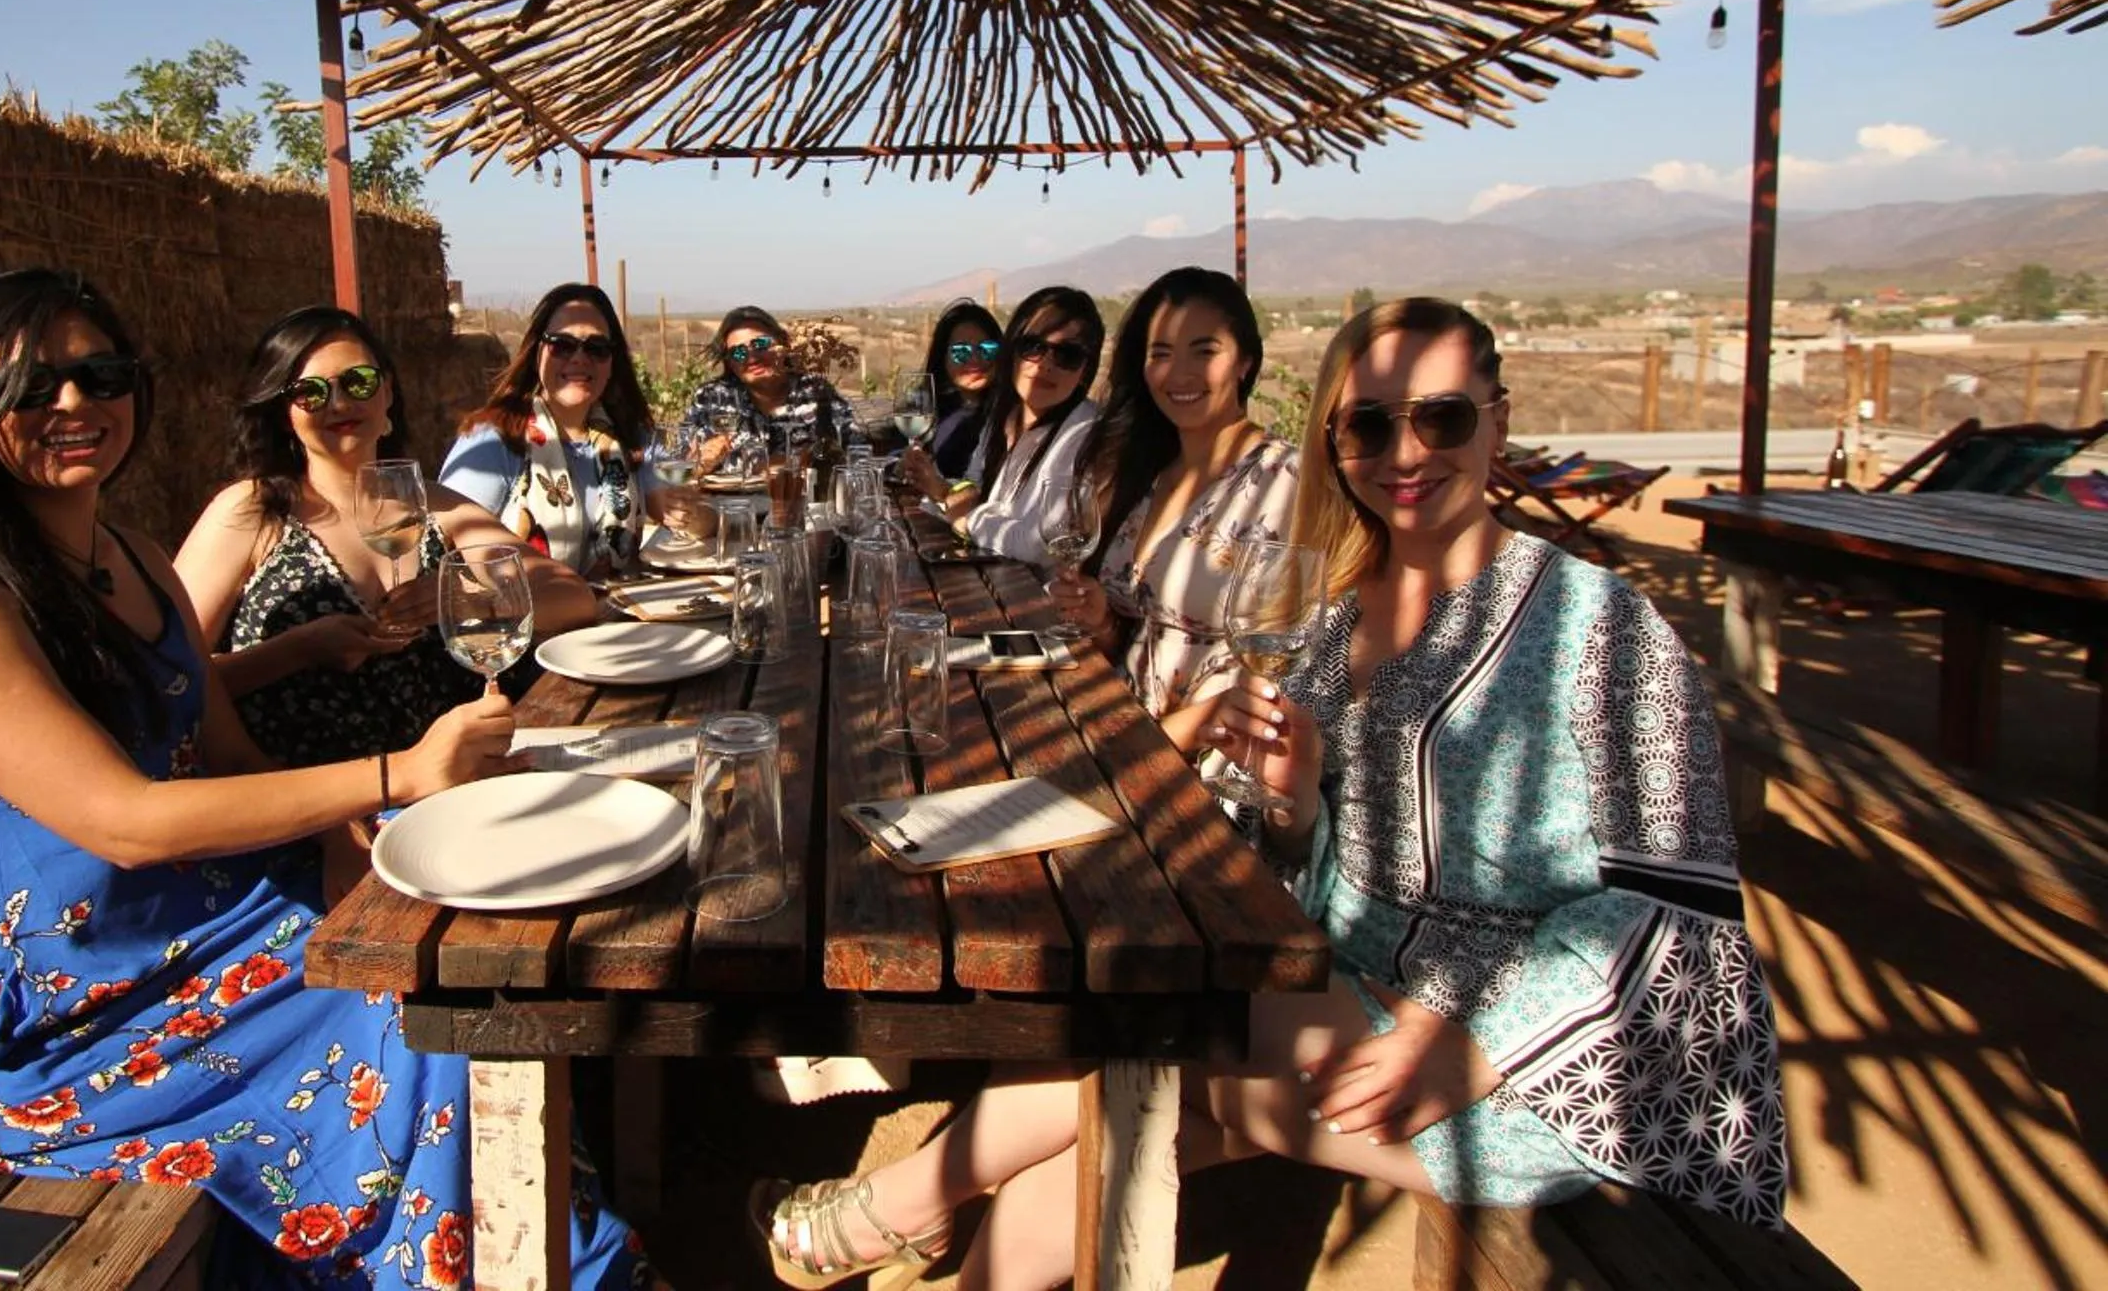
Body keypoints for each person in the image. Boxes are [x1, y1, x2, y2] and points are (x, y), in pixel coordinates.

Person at [757, 296, 1785, 1290]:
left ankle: (881, 1212)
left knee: (1126, 1027)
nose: (1406, 453)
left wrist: (1467, 1036)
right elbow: (1330, 842)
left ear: (1498, 421)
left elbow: (1677, 905)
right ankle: (900, 1216)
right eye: (1368, 427)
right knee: (1099, 1109)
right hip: (1342, 979)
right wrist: (1298, 805)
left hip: (1541, 1062)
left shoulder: (1601, 628)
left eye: (1443, 418)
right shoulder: (1341, 611)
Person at [0, 269, 643, 1287]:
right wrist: (396, 771)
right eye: (34, 386)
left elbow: (227, 755)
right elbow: (123, 820)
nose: (75, 405)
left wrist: (367, 844)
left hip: (212, 924)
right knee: (428, 1014)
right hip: (68, 1010)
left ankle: (533, 1257)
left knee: (463, 943)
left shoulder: (130, 558)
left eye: (100, 374)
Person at [176, 305, 602, 771]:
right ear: (284, 414)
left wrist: (464, 597)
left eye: (358, 382)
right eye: (311, 392)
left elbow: (572, 596)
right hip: (318, 804)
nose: (339, 403)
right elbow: (166, 681)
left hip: (451, 783)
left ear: (388, 392)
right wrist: (297, 650)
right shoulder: (252, 511)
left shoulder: (436, 507)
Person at [1046, 267, 1298, 755]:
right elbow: (1143, 641)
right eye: (1161, 354)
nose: (1180, 375)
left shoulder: (1283, 481)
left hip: (1209, 768)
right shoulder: (1152, 474)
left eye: (1204, 352)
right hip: (1120, 732)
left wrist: (1144, 754)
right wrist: (1101, 620)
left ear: (1245, 361)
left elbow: (1285, 672)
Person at [438, 284, 709, 574]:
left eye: (596, 348)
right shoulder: (494, 442)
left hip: (622, 614)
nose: (579, 358)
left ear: (612, 361)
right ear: (536, 352)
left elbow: (706, 523)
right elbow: (445, 553)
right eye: (562, 345)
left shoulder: (632, 437)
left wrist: (684, 512)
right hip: (529, 615)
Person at [902, 287, 1104, 568]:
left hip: (1036, 600)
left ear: (1085, 370)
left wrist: (965, 516)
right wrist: (944, 492)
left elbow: (1043, 544)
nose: (1045, 364)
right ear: (1012, 351)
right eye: (1033, 346)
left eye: (1067, 354)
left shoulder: (1083, 431)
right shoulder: (1005, 416)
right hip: (989, 582)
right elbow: (973, 486)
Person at [678, 305, 861, 467]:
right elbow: (677, 467)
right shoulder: (711, 398)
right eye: (739, 352)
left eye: (760, 344)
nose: (752, 357)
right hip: (729, 504)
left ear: (783, 344)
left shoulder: (815, 392)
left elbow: (858, 453)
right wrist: (699, 462)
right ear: (730, 362)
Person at [890, 299, 1003, 478]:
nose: (975, 360)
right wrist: (901, 466)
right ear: (942, 357)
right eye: (961, 352)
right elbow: (895, 454)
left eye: (987, 349)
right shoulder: (926, 405)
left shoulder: (1008, 416)